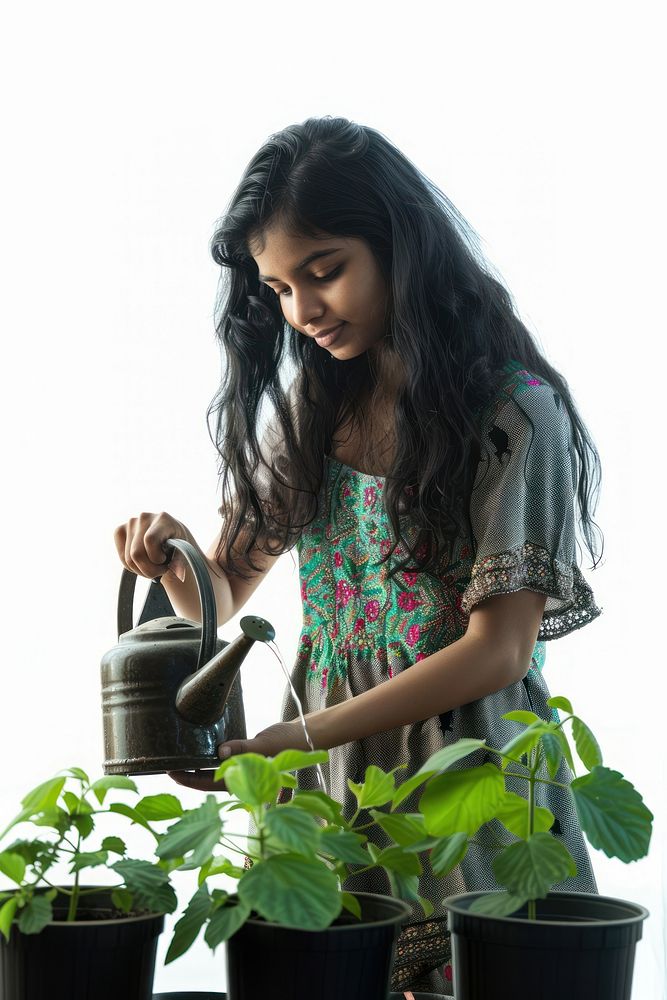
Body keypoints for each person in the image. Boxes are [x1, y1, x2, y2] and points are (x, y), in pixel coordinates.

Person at [114, 116, 603, 994]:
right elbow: (222, 592)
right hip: (333, 773)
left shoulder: (512, 414)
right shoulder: (315, 409)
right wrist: (172, 555)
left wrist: (297, 735)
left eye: (324, 270)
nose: (303, 311)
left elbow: (499, 651)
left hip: (468, 771)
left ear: (398, 246)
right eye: (278, 289)